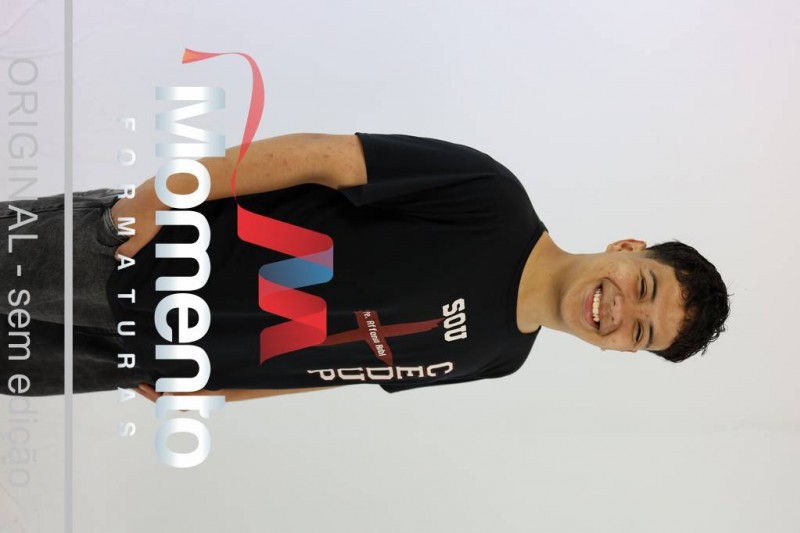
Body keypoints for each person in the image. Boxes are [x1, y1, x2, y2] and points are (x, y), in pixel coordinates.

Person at [0, 133, 730, 400]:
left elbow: (341, 368)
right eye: (643, 288)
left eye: (640, 333)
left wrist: (221, 391)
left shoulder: (501, 358)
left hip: (152, 356)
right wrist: (162, 196)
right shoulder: (491, 197)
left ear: (622, 351)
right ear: (627, 249)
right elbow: (320, 156)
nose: (620, 312)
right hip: (147, 255)